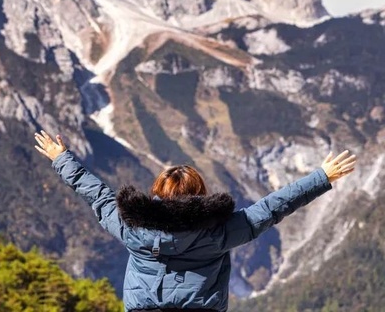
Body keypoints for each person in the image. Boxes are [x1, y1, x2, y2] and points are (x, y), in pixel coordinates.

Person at [34, 130, 357, 312]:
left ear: (157, 192)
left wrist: (62, 158)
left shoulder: (130, 226)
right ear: (199, 193)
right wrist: (321, 177)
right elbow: (274, 207)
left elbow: (97, 194)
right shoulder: (222, 231)